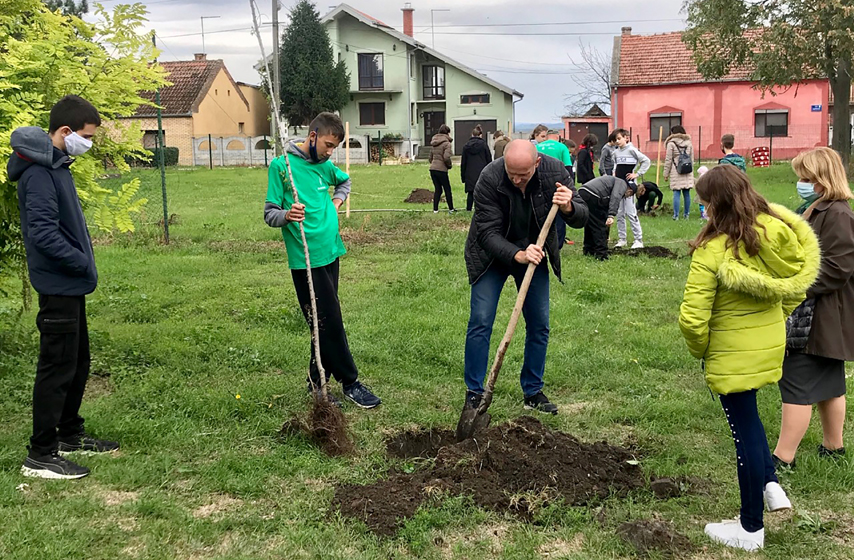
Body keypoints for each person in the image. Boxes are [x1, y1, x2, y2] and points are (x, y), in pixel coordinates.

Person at [679, 165, 820, 552]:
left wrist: (701, 349)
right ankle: (772, 485)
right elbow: (797, 285)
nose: (703, 211)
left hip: (730, 352)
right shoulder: (776, 234)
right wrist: (777, 317)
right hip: (768, 344)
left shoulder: (713, 250)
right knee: (752, 418)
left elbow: (693, 317)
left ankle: (750, 528)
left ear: (715, 204)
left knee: (743, 433)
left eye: (705, 204)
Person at [8, 95, 118, 480]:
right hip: (58, 285)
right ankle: (40, 453)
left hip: (71, 286)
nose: (89, 144)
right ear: (66, 132)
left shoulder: (58, 166)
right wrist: (81, 260)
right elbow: (42, 234)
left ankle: (69, 433)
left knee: (77, 360)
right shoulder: (39, 173)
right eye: (86, 136)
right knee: (56, 366)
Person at [462, 140, 588, 415]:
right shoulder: (490, 176)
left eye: (524, 175)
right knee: (481, 321)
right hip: (490, 256)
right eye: (512, 174)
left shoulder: (555, 173)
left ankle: (532, 391)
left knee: (540, 324)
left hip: (535, 253)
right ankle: (474, 392)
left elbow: (582, 216)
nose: (517, 180)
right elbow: (486, 232)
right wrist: (516, 254)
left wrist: (568, 208)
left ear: (537, 164)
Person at [264, 112, 381, 410]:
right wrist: (287, 215)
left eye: (335, 147)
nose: (331, 152)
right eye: (328, 144)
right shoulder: (282, 168)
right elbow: (269, 213)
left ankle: (317, 382)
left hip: (331, 251)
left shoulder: (325, 167)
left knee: (323, 320)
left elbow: (344, 182)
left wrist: (336, 202)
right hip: (306, 259)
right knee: (328, 320)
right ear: (312, 136)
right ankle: (350, 382)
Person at [773, 147, 854, 469]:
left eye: (806, 177)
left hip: (820, 314)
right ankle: (833, 448)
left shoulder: (839, 215)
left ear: (822, 178)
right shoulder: (819, 208)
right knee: (831, 382)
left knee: (796, 380)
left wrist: (792, 284)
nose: (801, 183)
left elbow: (836, 269)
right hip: (823, 315)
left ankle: (783, 457)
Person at [534, 131, 574, 248]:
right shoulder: (562, 147)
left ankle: (539, 242)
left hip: (538, 183)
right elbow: (568, 168)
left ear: (546, 137)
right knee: (559, 214)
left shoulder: (537, 147)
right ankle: (557, 244)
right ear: (558, 137)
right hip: (557, 184)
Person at [577, 175, 629, 260]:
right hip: (593, 195)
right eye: (629, 194)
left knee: (590, 224)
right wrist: (611, 215)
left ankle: (589, 250)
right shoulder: (622, 184)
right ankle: (601, 255)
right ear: (629, 189)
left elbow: (606, 202)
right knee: (599, 225)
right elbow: (615, 197)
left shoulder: (613, 181)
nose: (627, 196)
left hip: (583, 192)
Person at [663, 125, 695, 220]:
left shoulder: (671, 144)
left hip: (676, 170)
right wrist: (691, 170)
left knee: (676, 193)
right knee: (687, 193)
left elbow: (668, 159)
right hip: (687, 170)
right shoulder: (689, 143)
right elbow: (692, 158)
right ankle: (686, 214)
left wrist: (666, 174)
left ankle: (676, 215)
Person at [461, 125, 493, 212]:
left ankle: (468, 209)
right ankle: (480, 209)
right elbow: (489, 159)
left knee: (471, 193)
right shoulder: (484, 145)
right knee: (482, 192)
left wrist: (463, 177)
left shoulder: (466, 146)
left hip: (469, 172)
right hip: (482, 172)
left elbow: (463, 163)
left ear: (472, 135)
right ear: (480, 135)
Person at [428, 124, 456, 213]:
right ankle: (451, 209)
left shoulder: (434, 142)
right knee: (447, 189)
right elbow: (446, 157)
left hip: (433, 169)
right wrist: (449, 166)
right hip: (441, 170)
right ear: (447, 133)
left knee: (438, 189)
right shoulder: (447, 144)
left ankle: (435, 209)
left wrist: (434, 163)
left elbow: (430, 158)